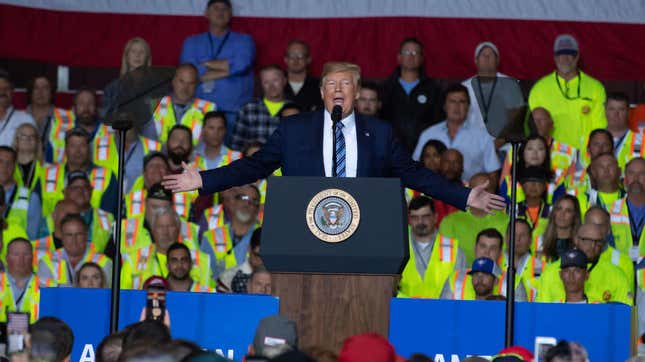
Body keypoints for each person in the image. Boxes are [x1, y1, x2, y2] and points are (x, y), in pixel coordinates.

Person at [163, 62, 506, 217]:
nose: (337, 90)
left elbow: (415, 174)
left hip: (363, 238)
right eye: (331, 84)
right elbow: (255, 166)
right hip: (303, 235)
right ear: (322, 91)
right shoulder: (295, 129)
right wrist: (204, 179)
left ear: (356, 92)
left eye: (345, 84)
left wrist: (464, 194)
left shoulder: (380, 133)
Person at [179, 0, 255, 144]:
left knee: (231, 160)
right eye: (215, 8)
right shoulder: (191, 42)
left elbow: (242, 65)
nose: (220, 12)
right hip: (198, 110)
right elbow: (190, 71)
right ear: (206, 14)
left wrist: (205, 64)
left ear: (231, 14)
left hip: (234, 112)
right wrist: (228, 68)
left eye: (224, 9)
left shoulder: (244, 41)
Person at [528, 34, 607, 151]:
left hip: (584, 154)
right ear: (554, 57)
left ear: (577, 56)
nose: (564, 58)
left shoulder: (595, 87)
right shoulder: (539, 89)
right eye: (560, 54)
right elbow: (534, 127)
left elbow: (600, 127)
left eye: (569, 54)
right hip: (549, 153)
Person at [413, 84, 501, 182]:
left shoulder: (483, 136)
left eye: (462, 102)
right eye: (452, 101)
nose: (457, 106)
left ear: (468, 106)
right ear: (445, 106)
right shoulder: (428, 134)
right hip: (432, 193)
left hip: (470, 194)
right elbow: (415, 168)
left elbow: (493, 174)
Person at [537, 223, 631, 304]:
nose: (592, 246)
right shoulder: (550, 272)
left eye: (598, 242)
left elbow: (628, 318)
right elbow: (540, 314)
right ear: (576, 240)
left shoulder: (616, 275)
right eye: (587, 240)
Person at [121, 207, 212, 290]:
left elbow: (213, 297)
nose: (165, 232)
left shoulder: (203, 261)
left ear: (178, 228)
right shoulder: (133, 260)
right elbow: (122, 297)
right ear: (152, 230)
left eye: (170, 226)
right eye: (160, 227)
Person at [381, 37, 441, 153]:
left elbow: (437, 122)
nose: (410, 56)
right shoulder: (386, 88)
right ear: (399, 57)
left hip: (424, 152)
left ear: (422, 58)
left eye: (415, 52)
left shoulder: (433, 90)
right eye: (406, 52)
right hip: (390, 150)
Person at [40, 127, 118, 216]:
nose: (78, 151)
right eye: (73, 146)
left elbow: (110, 212)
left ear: (89, 149)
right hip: (51, 228)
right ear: (65, 149)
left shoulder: (106, 176)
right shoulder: (47, 175)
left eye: (82, 145)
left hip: (94, 228)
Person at [398, 196, 465, 298]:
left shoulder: (453, 250)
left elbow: (459, 287)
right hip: (405, 310)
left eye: (425, 217)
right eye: (415, 217)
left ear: (435, 217)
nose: (420, 222)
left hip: (442, 311)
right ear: (409, 220)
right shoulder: (399, 247)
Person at [439, 173, 509, 263]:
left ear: (494, 192)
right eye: (476, 190)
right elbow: (446, 259)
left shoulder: (507, 221)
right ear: (468, 191)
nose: (481, 194)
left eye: (486, 190)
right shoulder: (450, 221)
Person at [462, 41, 524, 142]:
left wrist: (497, 143)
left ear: (497, 60)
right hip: (471, 143)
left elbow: (515, 120)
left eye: (490, 55)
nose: (487, 58)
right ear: (476, 60)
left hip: (502, 144)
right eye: (483, 55)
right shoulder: (464, 87)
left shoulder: (510, 84)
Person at [201, 184, 260, 278]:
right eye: (244, 198)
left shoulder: (263, 237)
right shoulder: (210, 237)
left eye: (254, 201)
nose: (247, 204)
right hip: (216, 291)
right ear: (234, 202)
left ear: (257, 209)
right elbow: (204, 275)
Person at [38, 214, 112, 286]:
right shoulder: (47, 261)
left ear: (86, 236)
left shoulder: (103, 262)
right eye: (69, 235)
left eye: (79, 234)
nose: (74, 239)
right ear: (61, 237)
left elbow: (106, 295)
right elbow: (46, 294)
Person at [151, 64, 215, 145]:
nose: (185, 88)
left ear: (196, 85)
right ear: (173, 81)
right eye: (181, 81)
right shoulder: (154, 105)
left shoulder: (209, 109)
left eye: (190, 83)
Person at [231, 65, 290, 151]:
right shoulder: (248, 109)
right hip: (254, 163)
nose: (271, 86)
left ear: (284, 81)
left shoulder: (294, 110)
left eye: (275, 80)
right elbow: (236, 145)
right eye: (266, 82)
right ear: (261, 84)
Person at [0, 238, 54, 322]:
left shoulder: (48, 286)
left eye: (26, 254)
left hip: (36, 333)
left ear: (32, 258)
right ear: (7, 258)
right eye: (15, 254)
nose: (21, 259)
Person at [583, 205, 633, 288]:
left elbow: (626, 299)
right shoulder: (571, 259)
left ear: (609, 230)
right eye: (591, 225)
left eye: (600, 226)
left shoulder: (624, 262)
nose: (595, 230)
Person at [102, 37, 152, 118]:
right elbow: (106, 116)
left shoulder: (156, 86)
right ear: (127, 56)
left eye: (141, 52)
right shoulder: (112, 88)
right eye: (133, 51)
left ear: (147, 57)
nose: (137, 55)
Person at [0, 146, 42, 239]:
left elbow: (32, 238)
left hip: (16, 252)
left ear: (15, 166)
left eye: (8, 163)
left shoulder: (31, 198)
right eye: (0, 162)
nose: (4, 167)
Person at [609, 157, 645, 259]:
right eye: (631, 173)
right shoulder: (610, 210)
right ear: (625, 180)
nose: (636, 178)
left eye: (642, 173)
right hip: (619, 272)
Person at [537, 194, 581, 263]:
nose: (562, 214)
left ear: (575, 216)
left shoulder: (581, 244)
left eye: (568, 211)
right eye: (559, 209)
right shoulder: (539, 241)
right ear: (554, 212)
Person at [217, 227, 263, 293]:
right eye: (258, 255)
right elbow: (221, 303)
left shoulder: (278, 280)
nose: (262, 261)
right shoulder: (228, 277)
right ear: (249, 249)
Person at [283, 40, 322, 112]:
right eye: (292, 56)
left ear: (308, 59)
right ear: (285, 59)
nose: (296, 60)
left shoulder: (320, 86)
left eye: (300, 56)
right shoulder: (276, 84)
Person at [605, 92, 641, 170]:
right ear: (605, 111)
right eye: (612, 109)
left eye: (621, 109)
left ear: (628, 112)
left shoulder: (641, 141)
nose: (616, 114)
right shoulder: (591, 139)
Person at [0, 75, 36, 147]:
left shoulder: (25, 119)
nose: (2, 92)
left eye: (6, 88)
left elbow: (35, 150)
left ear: (12, 92)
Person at [12, 123, 45, 192]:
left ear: (37, 141)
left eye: (32, 136)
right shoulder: (7, 166)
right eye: (23, 136)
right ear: (16, 140)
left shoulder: (47, 168)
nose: (28, 139)